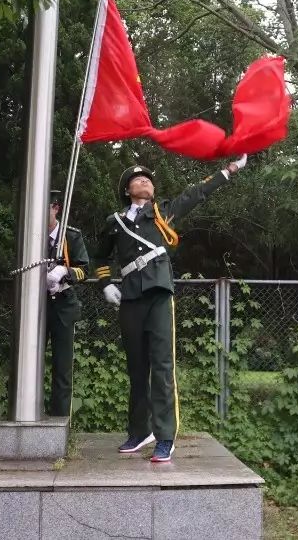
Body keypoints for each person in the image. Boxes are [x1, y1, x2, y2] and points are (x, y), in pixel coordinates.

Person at [93, 155, 247, 463]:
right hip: (131, 299)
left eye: (148, 179)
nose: (145, 181)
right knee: (137, 369)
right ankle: (140, 431)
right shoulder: (115, 222)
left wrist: (229, 170)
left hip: (160, 295)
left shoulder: (163, 212)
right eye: (138, 179)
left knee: (162, 368)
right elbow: (99, 258)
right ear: (127, 190)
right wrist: (106, 284)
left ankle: (165, 436)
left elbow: (196, 194)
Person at [44, 190, 90, 417]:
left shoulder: (71, 236)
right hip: (37, 306)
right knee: (27, 363)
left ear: (55, 208)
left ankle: (60, 421)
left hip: (63, 304)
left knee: (62, 367)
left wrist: (66, 271)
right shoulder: (31, 234)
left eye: (46, 207)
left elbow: (85, 270)